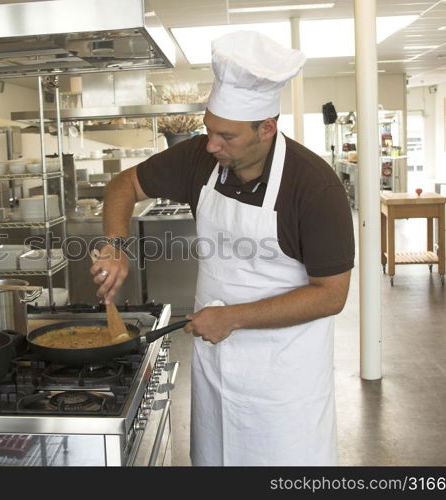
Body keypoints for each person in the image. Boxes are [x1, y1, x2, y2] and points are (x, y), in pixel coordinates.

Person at [90, 30, 355, 466]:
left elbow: (332, 294)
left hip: (284, 380)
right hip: (215, 363)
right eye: (208, 130)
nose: (212, 145)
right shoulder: (201, 157)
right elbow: (124, 184)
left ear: (266, 128)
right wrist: (116, 244)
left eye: (226, 137)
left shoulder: (314, 187)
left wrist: (233, 317)